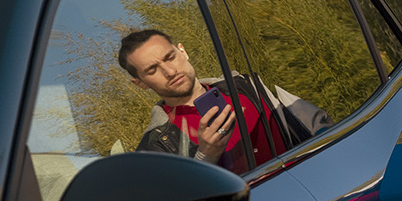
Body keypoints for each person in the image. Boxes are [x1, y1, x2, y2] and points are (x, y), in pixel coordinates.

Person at [118, 29, 283, 170]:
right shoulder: (153, 151)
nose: (170, 71)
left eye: (169, 57)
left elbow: (299, 123)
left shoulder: (245, 85)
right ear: (140, 83)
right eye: (153, 70)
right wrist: (206, 156)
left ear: (182, 52)